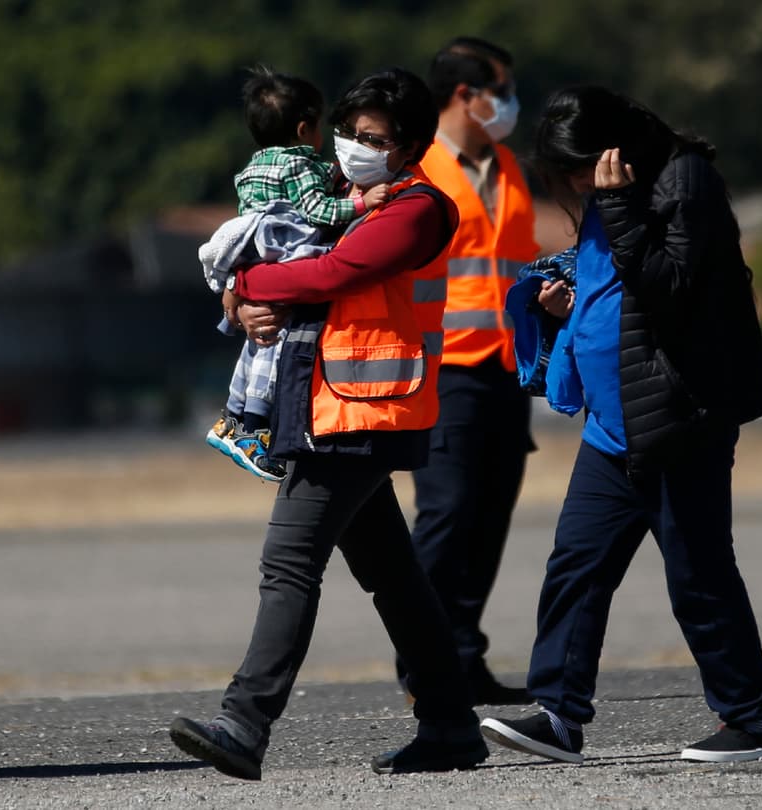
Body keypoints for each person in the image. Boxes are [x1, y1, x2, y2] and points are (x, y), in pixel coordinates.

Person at [169, 68, 489, 780]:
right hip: (330, 404)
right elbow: (291, 269)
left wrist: (245, 285)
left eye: (372, 139)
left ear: (409, 147)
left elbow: (332, 274)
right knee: (396, 580)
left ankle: (244, 724)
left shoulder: (417, 209)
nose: (352, 148)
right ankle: (450, 726)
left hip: (361, 412)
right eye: (348, 133)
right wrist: (240, 302)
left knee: (289, 564)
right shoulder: (347, 199)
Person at [480, 85, 762, 764]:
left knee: (698, 571)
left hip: (678, 417)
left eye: (582, 167)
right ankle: (558, 715)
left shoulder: (685, 180)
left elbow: (669, 284)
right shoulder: (608, 198)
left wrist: (614, 205)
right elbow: (613, 288)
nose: (578, 183)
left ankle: (748, 722)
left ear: (615, 145)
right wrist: (562, 306)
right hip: (612, 425)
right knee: (577, 567)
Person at [399, 36, 539, 706]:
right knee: (447, 513)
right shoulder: (417, 168)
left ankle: (463, 656)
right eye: (500, 90)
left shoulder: (509, 164)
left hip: (509, 369)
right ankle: (422, 659)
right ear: (464, 95)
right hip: (444, 367)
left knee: (488, 519)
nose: (508, 104)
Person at [202, 66, 387, 482]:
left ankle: (232, 419)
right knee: (273, 345)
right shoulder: (299, 165)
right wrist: (363, 203)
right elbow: (317, 210)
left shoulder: (251, 168)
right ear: (305, 129)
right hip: (290, 259)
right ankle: (253, 430)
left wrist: (240, 283)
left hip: (260, 259)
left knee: (256, 346)